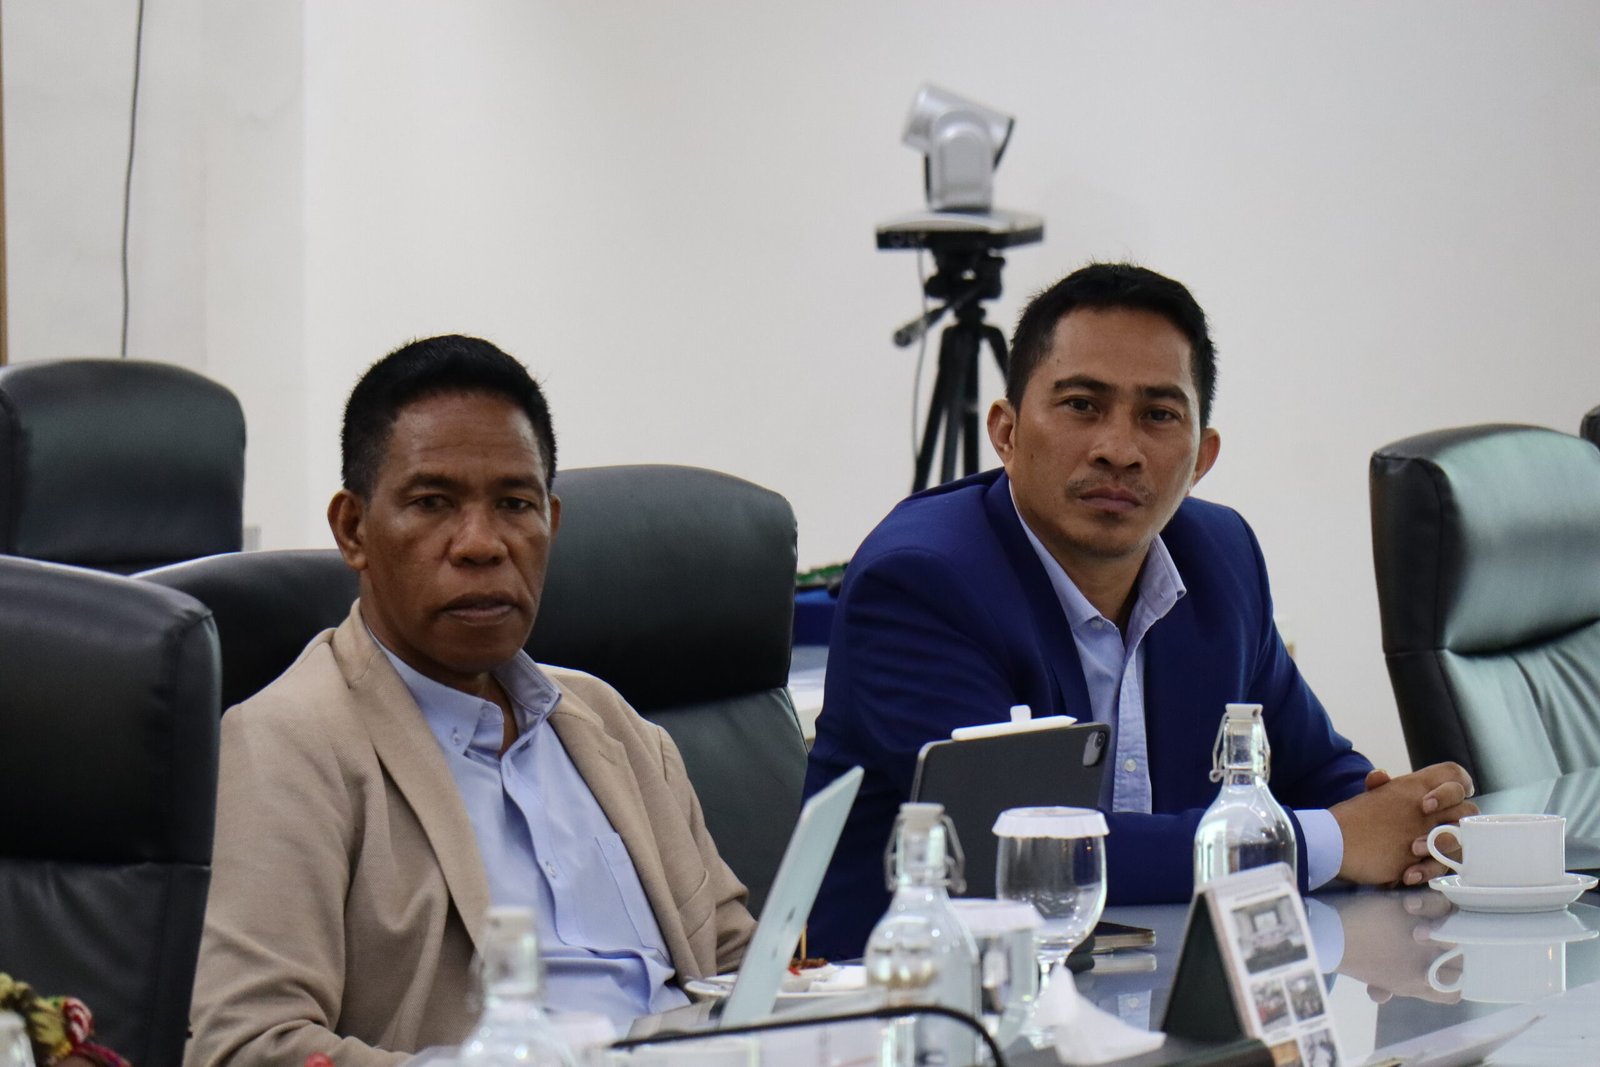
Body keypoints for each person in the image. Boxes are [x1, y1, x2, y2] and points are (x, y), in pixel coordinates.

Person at [803, 263, 1476, 957]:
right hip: (913, 997)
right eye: (1081, 405)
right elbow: (1026, 853)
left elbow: (1314, 770)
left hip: (1161, 983)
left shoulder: (1222, 557)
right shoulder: (922, 581)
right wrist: (1334, 840)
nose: (1118, 451)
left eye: (1158, 415)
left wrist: (1414, 820)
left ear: (1202, 458)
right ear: (1005, 431)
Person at [185, 336, 754, 1066]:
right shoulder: (288, 745)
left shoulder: (613, 725)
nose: (482, 544)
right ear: (354, 531)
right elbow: (248, 1046)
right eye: (433, 503)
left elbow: (740, 968)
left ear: (551, 523)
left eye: (515, 504)